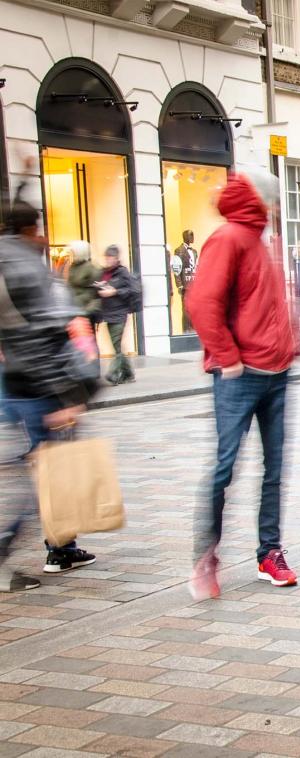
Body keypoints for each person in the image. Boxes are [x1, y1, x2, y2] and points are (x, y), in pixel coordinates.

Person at [187, 167, 300, 600]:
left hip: (276, 373)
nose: (276, 210)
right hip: (240, 376)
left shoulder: (262, 241)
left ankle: (269, 552)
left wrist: (290, 345)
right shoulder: (230, 237)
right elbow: (202, 301)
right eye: (273, 202)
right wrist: (228, 357)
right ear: (262, 202)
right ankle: (205, 557)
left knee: (275, 469)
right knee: (225, 467)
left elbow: (265, 304)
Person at [0, 198, 100, 589]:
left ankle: (63, 546)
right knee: (46, 472)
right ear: (31, 229)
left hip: (11, 383)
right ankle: (44, 549)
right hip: (35, 387)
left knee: (37, 468)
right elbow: (45, 337)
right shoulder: (26, 267)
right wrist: (67, 397)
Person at [96, 245, 141, 385]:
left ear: (116, 259)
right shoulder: (104, 273)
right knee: (117, 346)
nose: (108, 260)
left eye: (111, 258)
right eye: (107, 257)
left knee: (116, 343)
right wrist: (100, 286)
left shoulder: (122, 272)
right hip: (108, 313)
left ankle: (113, 374)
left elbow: (130, 290)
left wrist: (114, 291)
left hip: (120, 313)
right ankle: (128, 374)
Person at [66, 240, 101, 328]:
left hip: (85, 312)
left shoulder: (90, 268)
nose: (72, 254)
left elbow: (97, 294)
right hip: (74, 310)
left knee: (86, 339)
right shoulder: (73, 267)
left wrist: (88, 311)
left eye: (73, 252)